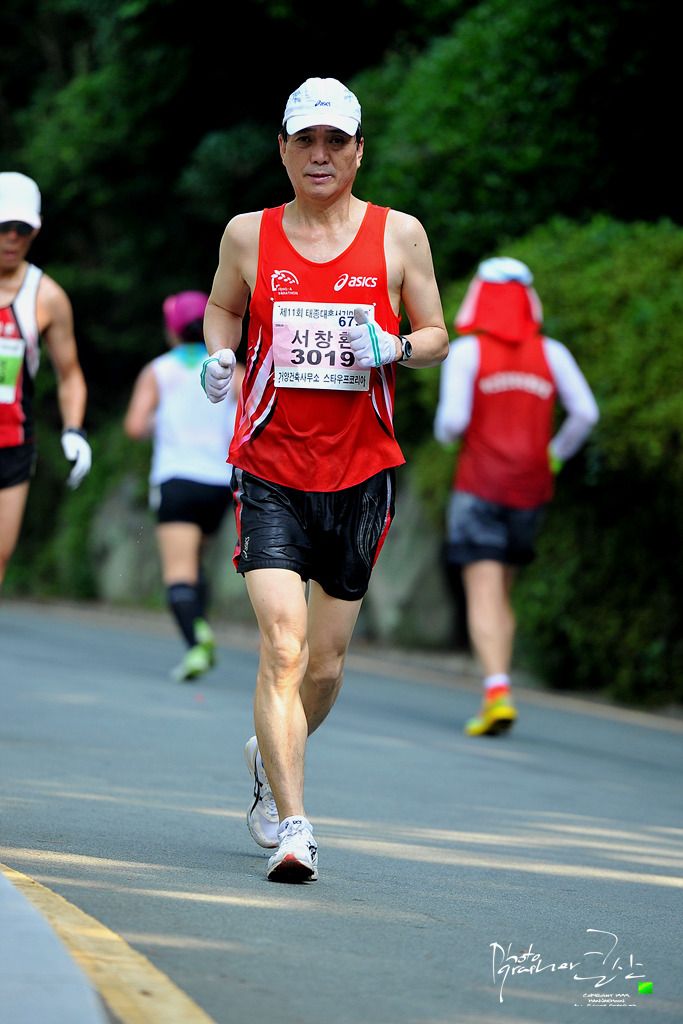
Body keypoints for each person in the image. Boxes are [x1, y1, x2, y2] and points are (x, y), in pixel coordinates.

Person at [200, 76, 448, 882]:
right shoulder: (247, 234)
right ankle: (293, 825)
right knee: (283, 645)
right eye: (304, 140)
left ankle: (268, 750)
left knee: (325, 666)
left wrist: (397, 347)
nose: (319, 154)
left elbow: (437, 333)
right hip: (268, 467)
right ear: (281, 149)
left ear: (357, 151)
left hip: (361, 473)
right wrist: (220, 354)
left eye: (334, 141)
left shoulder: (398, 235)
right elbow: (222, 308)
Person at [433, 257, 600, 737]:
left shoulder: (468, 352)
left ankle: (496, 691)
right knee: (502, 589)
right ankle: (498, 682)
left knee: (483, 591)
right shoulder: (552, 353)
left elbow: (452, 423)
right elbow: (586, 413)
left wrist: (451, 439)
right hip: (530, 490)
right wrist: (554, 455)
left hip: (479, 487)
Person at [124, 290, 244, 682]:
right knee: (196, 562)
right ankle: (201, 627)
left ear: (172, 330)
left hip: (177, 478)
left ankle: (197, 642)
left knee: (178, 570)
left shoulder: (158, 370)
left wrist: (165, 420)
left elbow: (135, 426)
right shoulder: (233, 371)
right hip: (219, 483)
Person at [0, 171, 91, 590]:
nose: (12, 238)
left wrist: (74, 430)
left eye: (22, 229)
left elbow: (69, 375)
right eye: (4, 226)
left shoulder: (47, 296)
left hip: (13, 443)